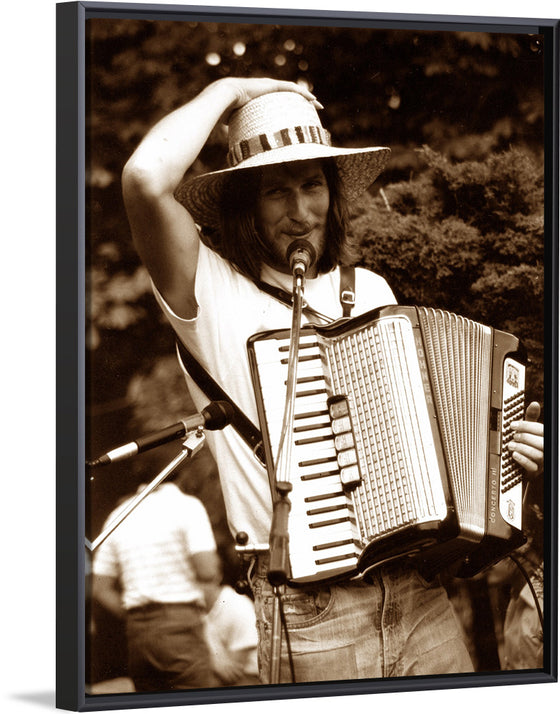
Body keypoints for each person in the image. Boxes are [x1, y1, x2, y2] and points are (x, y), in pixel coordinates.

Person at [121, 77, 544, 683]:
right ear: (245, 204)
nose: (300, 211)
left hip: (419, 597)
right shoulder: (206, 290)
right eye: (276, 192)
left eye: (312, 185)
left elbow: (420, 449)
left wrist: (507, 456)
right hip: (309, 615)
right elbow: (144, 179)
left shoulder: (369, 289)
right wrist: (233, 87)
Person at [92, 480, 221, 691]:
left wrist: (138, 617)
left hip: (138, 632)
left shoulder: (118, 515)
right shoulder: (187, 505)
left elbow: (100, 588)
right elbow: (207, 570)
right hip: (180, 624)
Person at [204, 579, 260, 686]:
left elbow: (230, 674)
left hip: (248, 680)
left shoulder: (238, 607)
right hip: (212, 673)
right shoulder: (192, 607)